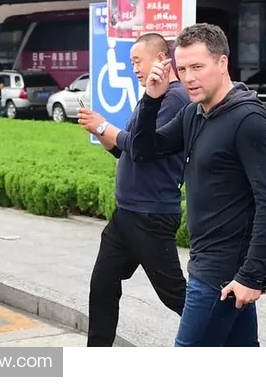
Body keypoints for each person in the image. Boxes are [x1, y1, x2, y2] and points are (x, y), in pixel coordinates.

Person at [125, 23, 266, 347]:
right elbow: (143, 150)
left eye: (197, 67)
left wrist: (252, 275)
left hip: (221, 274)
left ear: (222, 63)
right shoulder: (193, 113)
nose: (189, 77)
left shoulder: (249, 120)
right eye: (182, 69)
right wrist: (152, 99)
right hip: (207, 264)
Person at [77, 32, 189, 347]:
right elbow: (124, 149)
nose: (135, 69)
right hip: (126, 213)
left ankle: (228, 338)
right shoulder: (151, 98)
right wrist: (97, 129)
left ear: (161, 59)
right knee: (103, 285)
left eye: (138, 61)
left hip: (151, 214)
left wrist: (103, 126)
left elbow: (142, 149)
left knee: (177, 296)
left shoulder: (174, 98)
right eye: (132, 63)